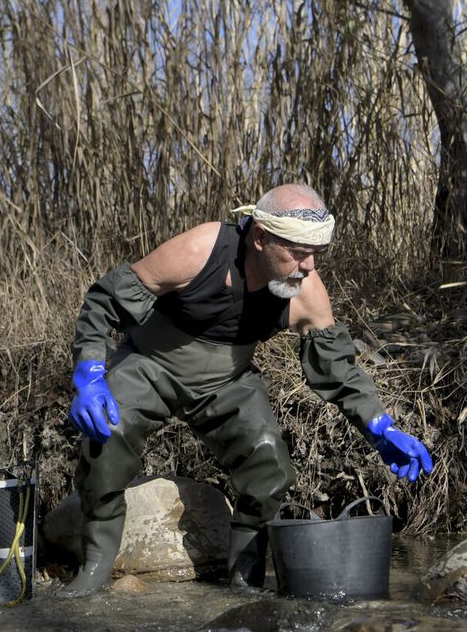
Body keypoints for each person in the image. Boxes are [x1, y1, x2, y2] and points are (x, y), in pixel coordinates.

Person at [60, 183, 433, 597]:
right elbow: (104, 301)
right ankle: (94, 567)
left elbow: (339, 371)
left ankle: (244, 580)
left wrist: (381, 428)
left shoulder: (305, 291)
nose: (308, 267)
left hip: (227, 382)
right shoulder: (200, 250)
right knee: (106, 437)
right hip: (149, 365)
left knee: (270, 463)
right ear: (259, 238)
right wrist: (90, 374)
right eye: (296, 252)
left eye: (316, 254)